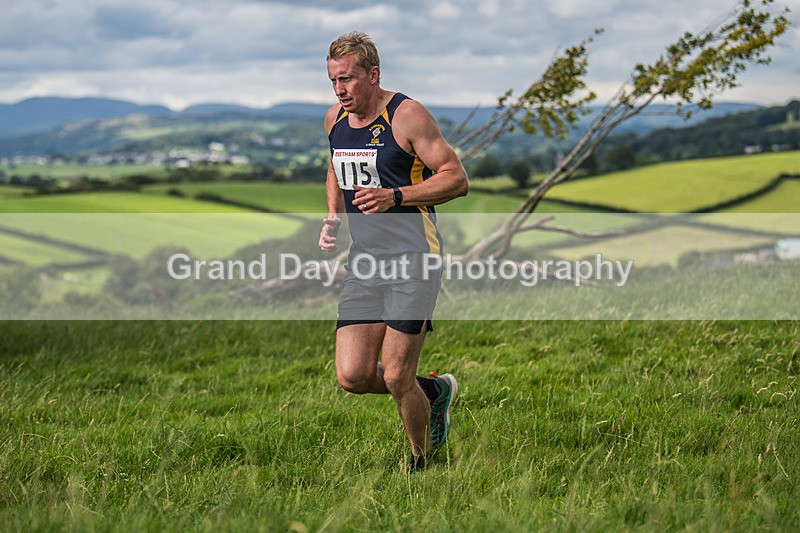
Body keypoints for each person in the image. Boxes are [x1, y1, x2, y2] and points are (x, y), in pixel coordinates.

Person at [318, 31, 468, 474]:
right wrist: (332, 215)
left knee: (396, 374)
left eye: (347, 79)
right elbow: (334, 167)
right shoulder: (334, 120)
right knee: (353, 376)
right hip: (365, 262)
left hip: (414, 258)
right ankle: (434, 392)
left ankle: (422, 463)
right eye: (333, 81)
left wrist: (396, 196)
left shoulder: (407, 115)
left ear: (373, 74)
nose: (340, 90)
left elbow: (456, 178)